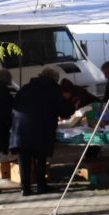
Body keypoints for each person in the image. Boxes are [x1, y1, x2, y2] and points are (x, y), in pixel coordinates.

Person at [10, 66, 72, 196]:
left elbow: (14, 106)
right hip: (40, 129)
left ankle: (25, 188)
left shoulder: (25, 88)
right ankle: (41, 186)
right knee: (40, 157)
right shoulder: (53, 90)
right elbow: (64, 111)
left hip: (20, 128)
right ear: (54, 80)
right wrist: (72, 106)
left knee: (24, 159)